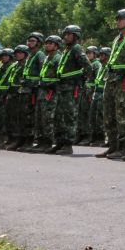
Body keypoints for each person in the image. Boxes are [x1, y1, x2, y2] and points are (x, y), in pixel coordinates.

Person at [98, 10, 125, 160]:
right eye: (117, 19)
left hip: (123, 80)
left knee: (122, 114)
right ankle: (112, 145)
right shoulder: (117, 38)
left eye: (120, 19)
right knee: (109, 114)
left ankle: (123, 148)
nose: (117, 21)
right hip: (111, 79)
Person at [52, 26, 89, 155]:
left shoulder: (76, 48)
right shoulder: (67, 50)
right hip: (62, 88)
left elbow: (87, 67)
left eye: (69, 34)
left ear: (75, 36)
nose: (65, 36)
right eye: (65, 34)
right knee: (59, 116)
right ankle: (60, 142)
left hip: (71, 87)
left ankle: (67, 144)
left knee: (69, 116)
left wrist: (80, 81)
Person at [30, 37, 61, 152]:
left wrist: (52, 84)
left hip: (50, 92)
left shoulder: (58, 58)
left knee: (48, 118)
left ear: (56, 45)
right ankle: (41, 141)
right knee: (39, 117)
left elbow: (60, 76)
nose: (47, 45)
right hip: (42, 91)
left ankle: (48, 142)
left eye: (50, 43)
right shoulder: (47, 58)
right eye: (46, 43)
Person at [88, 47, 110, 146]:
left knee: (101, 118)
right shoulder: (101, 66)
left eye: (103, 55)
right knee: (93, 117)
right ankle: (94, 137)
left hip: (103, 94)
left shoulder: (108, 67)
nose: (100, 56)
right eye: (100, 54)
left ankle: (100, 139)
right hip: (96, 93)